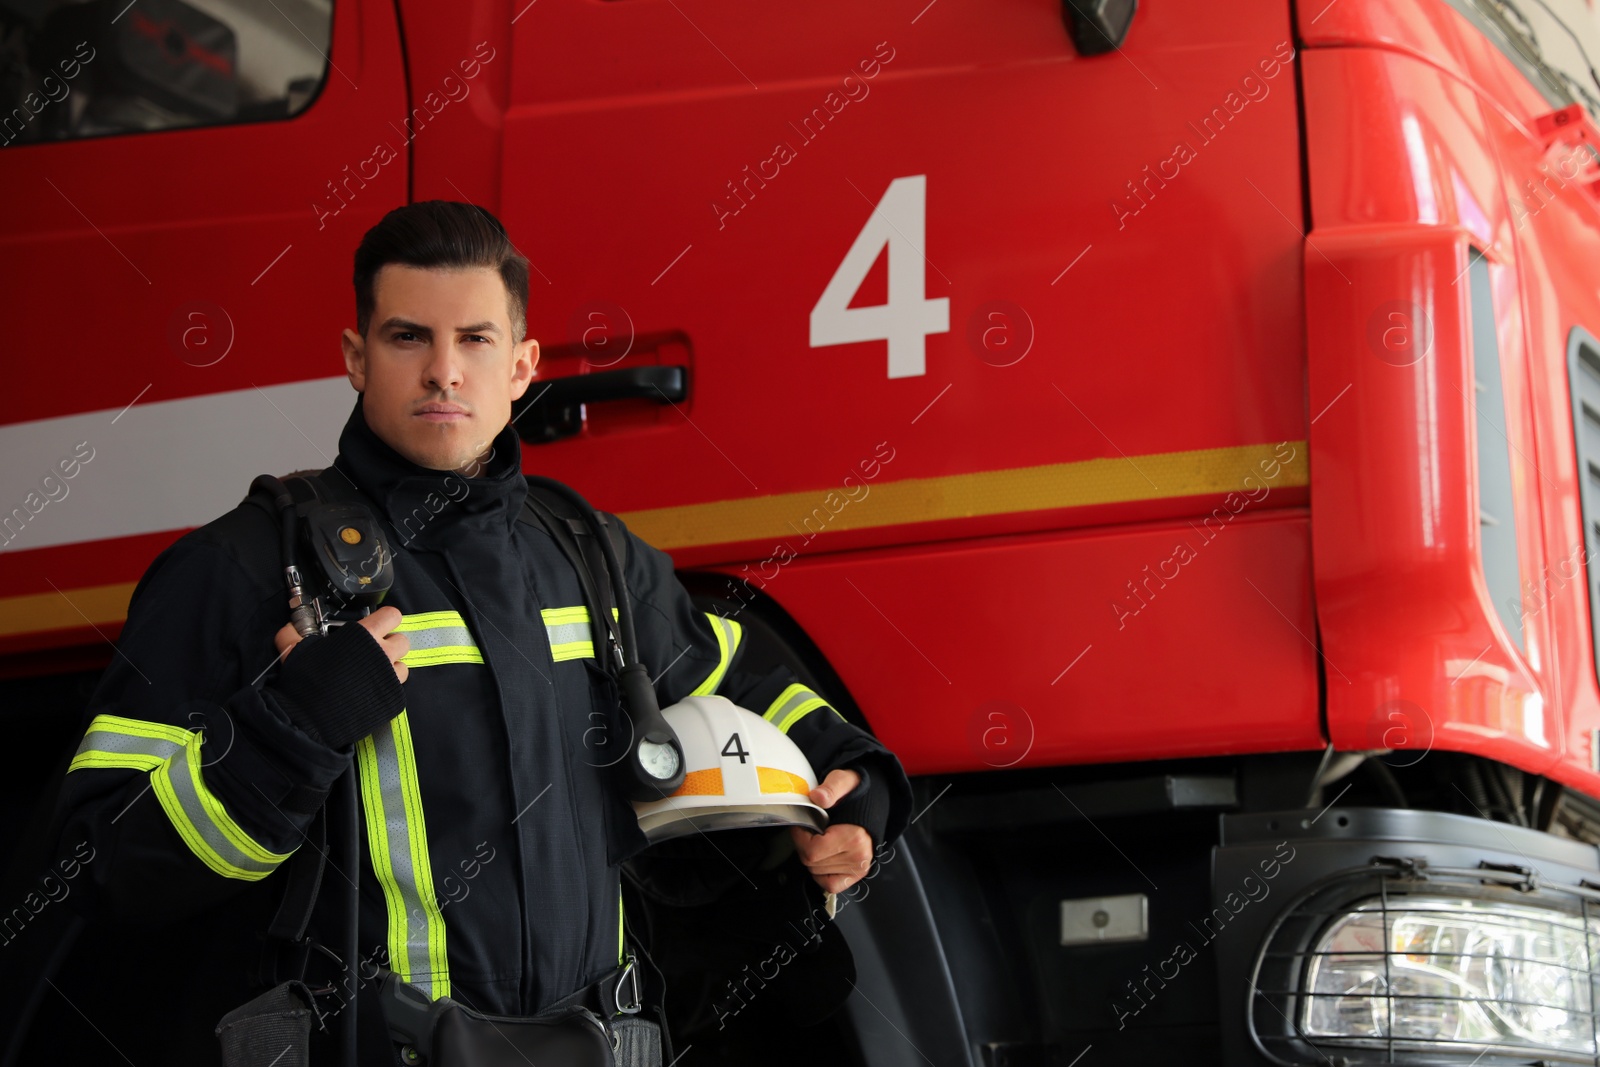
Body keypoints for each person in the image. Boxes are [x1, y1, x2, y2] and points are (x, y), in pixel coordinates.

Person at [41, 200, 911, 1064]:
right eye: (409, 337)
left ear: (524, 365)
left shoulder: (595, 560)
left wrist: (857, 787)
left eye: (476, 340)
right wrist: (291, 732)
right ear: (356, 357)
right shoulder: (245, 570)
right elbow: (94, 866)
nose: (444, 372)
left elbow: (752, 683)